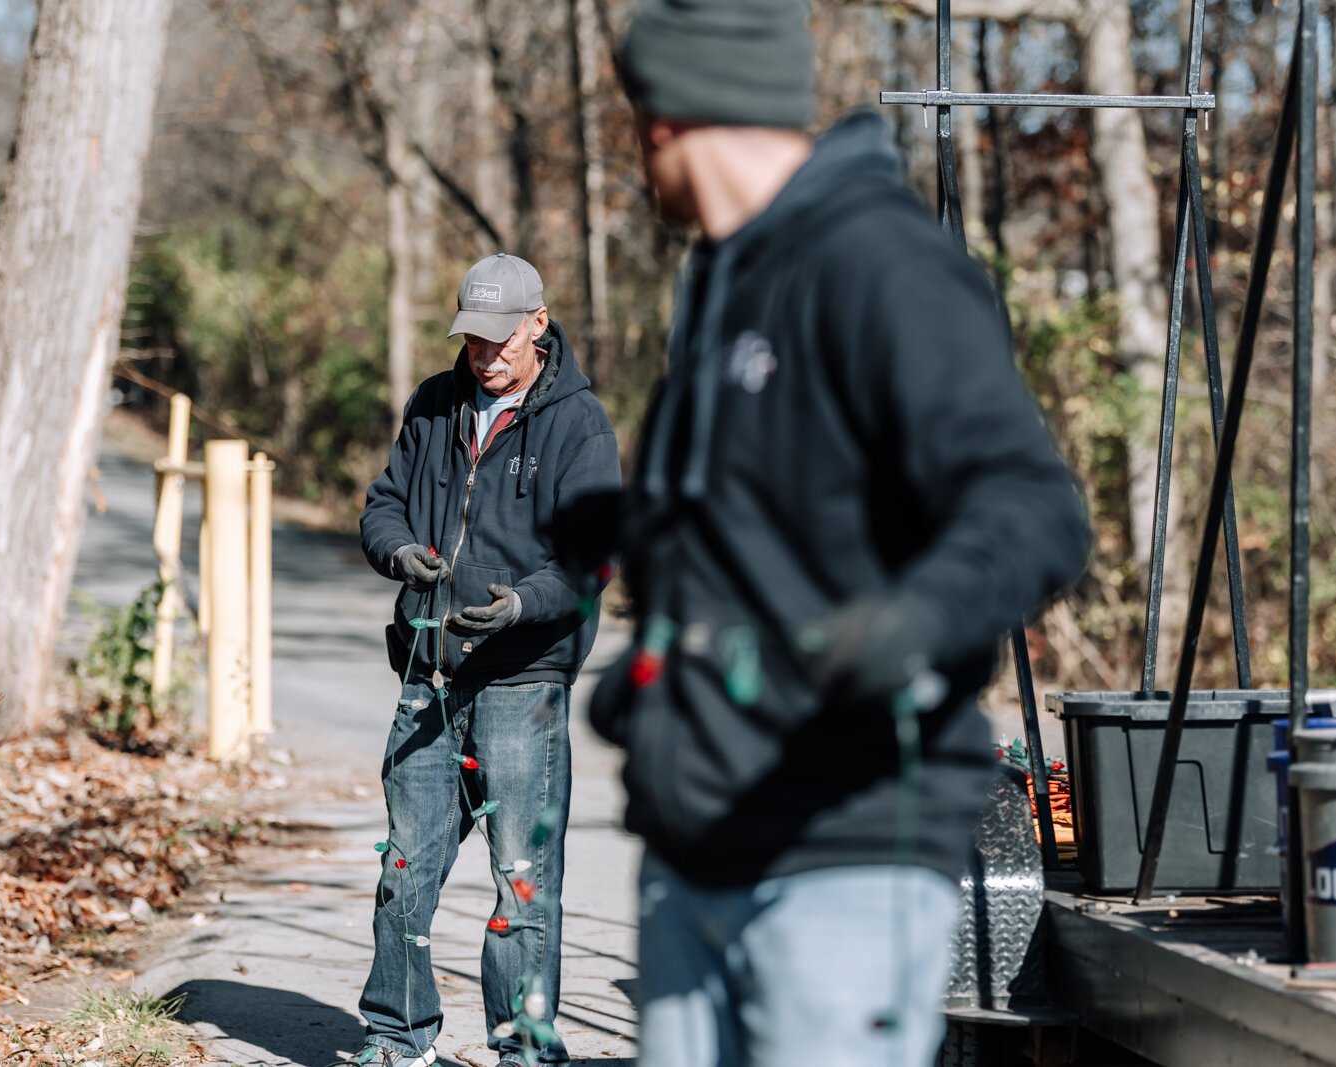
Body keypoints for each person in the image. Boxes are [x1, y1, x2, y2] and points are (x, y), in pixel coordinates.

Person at [591, 2, 1093, 1065]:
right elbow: (755, 533)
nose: (637, 149)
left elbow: (1031, 506)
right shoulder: (724, 279)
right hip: (698, 838)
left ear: (674, 116)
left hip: (841, 845)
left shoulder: (879, 263)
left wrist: (902, 625)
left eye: (637, 119)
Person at [346, 253, 622, 1067]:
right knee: (405, 865)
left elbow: (589, 558)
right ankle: (396, 1038)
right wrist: (401, 554)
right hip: (427, 673)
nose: (486, 352)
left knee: (522, 881)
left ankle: (524, 1050)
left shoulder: (579, 423)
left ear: (538, 323)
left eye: (502, 337)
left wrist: (516, 605)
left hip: (523, 683)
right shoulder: (432, 404)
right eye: (473, 337)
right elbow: (383, 504)